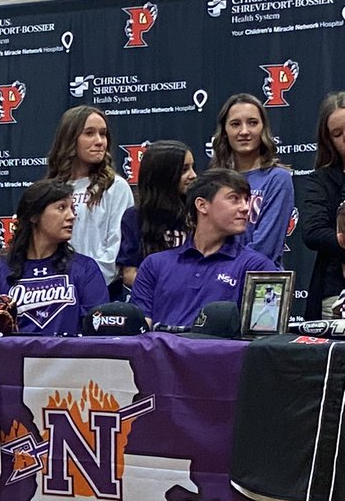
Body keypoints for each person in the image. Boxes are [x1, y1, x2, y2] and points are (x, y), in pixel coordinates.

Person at [131, 169, 277, 328]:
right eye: (234, 199)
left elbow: (262, 336)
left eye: (246, 200)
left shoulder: (258, 268)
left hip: (223, 353)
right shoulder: (154, 265)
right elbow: (139, 330)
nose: (245, 208)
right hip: (159, 352)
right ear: (202, 205)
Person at [0, 179, 105, 335]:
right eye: (61, 208)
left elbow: (99, 331)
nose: (71, 216)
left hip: (71, 358)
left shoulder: (85, 269)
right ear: (34, 216)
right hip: (14, 358)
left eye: (72, 208)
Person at [43, 105, 134, 290]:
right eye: (89, 133)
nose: (100, 141)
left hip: (102, 290)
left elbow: (116, 249)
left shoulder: (115, 187)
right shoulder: (49, 189)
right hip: (54, 290)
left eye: (103, 134)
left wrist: (87, 284)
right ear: (69, 138)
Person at [208, 92, 295, 267]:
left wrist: (226, 273)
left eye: (253, 123)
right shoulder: (213, 181)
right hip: (217, 280)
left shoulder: (277, 179)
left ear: (263, 128)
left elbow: (266, 248)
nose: (244, 131)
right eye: (235, 124)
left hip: (260, 281)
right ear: (225, 131)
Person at [116, 140, 197, 290]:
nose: (193, 175)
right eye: (184, 169)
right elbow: (129, 273)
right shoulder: (135, 216)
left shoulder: (198, 210)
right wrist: (167, 288)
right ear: (164, 174)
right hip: (154, 298)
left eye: (192, 167)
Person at [301, 92, 345, 318]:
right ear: (329, 142)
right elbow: (313, 231)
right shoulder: (321, 180)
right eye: (338, 134)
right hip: (337, 291)